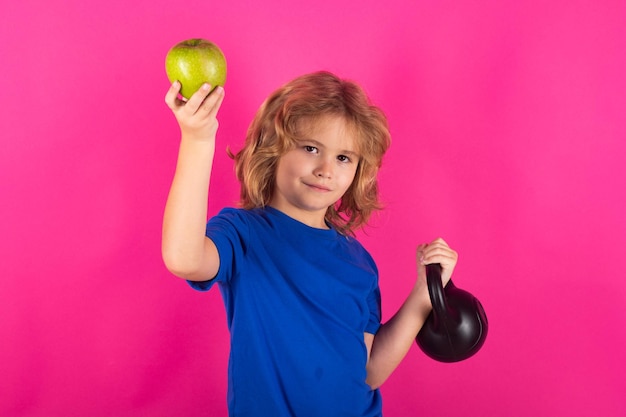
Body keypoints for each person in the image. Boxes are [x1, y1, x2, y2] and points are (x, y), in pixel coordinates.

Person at [162, 71, 458, 417]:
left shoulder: (358, 262)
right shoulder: (242, 233)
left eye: (343, 158)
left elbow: (369, 372)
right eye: (311, 148)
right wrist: (197, 140)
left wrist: (424, 294)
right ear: (272, 149)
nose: (326, 169)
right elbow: (183, 258)